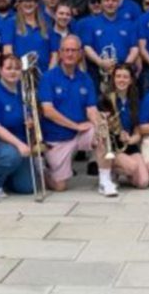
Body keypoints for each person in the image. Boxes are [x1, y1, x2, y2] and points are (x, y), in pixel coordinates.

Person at [40, 35, 114, 195]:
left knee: (102, 130)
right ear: (60, 53)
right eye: (66, 50)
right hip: (58, 138)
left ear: (80, 53)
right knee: (60, 187)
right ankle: (43, 170)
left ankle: (105, 182)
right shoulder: (48, 77)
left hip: (80, 134)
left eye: (74, 50)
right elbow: (48, 111)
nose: (70, 54)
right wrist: (76, 126)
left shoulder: (85, 78)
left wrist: (98, 122)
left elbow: (91, 109)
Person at [0, 54, 39, 198]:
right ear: (0, 70)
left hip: (21, 141)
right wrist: (19, 145)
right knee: (10, 155)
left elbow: (31, 114)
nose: (13, 72)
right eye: (8, 68)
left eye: (17, 68)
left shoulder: (25, 91)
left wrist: (31, 123)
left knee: (28, 187)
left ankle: (7, 177)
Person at [99, 64, 149, 189]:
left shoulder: (136, 102)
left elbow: (138, 133)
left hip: (129, 146)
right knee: (132, 167)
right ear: (113, 78)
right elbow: (99, 130)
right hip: (112, 147)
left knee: (143, 182)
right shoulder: (103, 100)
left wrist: (130, 139)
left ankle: (123, 170)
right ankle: (111, 170)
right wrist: (112, 129)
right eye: (118, 76)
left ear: (131, 80)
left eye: (125, 77)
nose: (121, 80)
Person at [82, 0, 141, 90]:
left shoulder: (129, 24)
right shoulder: (91, 23)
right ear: (101, 2)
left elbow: (134, 49)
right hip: (98, 74)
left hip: (122, 77)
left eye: (114, 0)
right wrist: (100, 62)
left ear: (119, 3)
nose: (110, 3)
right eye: (107, 0)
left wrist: (123, 68)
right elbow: (87, 47)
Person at [4, 0, 51, 69]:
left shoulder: (47, 23)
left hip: (44, 76)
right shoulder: (10, 23)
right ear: (19, 3)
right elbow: (7, 51)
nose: (28, 4)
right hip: (19, 75)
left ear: (36, 3)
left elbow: (54, 53)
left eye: (31, 1)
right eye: (24, 1)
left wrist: (49, 76)